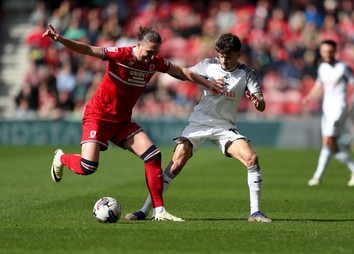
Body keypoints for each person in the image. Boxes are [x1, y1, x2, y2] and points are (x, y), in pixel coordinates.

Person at [42, 24, 224, 221]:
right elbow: (87, 49)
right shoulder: (120, 55)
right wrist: (59, 39)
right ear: (138, 45)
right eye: (148, 52)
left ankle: (160, 212)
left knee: (153, 156)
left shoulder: (155, 62)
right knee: (88, 167)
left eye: (155, 53)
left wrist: (207, 83)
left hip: (122, 122)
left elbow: (181, 72)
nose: (151, 57)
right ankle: (60, 158)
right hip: (98, 117)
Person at [125, 33, 272, 223]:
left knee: (252, 158)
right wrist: (206, 83)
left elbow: (261, 105)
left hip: (225, 127)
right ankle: (145, 210)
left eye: (228, 57)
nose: (224, 61)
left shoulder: (246, 74)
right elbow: (186, 74)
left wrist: (257, 100)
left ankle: (255, 213)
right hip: (199, 122)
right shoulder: (208, 65)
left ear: (238, 54)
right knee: (176, 163)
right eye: (221, 56)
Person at [302, 39, 354, 187]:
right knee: (332, 145)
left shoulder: (343, 68)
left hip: (339, 108)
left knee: (327, 141)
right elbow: (318, 85)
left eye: (330, 51)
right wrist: (309, 97)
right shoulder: (322, 68)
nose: (327, 54)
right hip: (326, 109)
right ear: (321, 52)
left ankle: (317, 177)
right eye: (324, 51)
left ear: (335, 52)